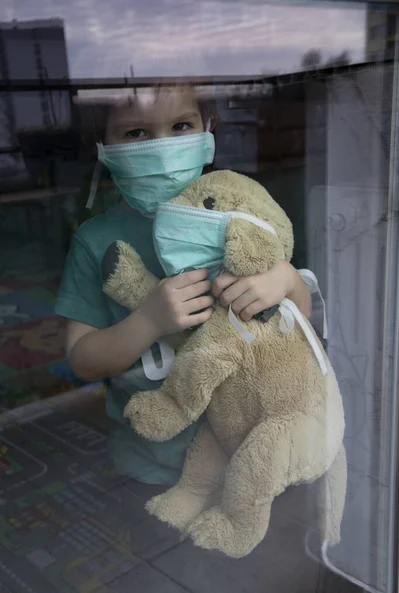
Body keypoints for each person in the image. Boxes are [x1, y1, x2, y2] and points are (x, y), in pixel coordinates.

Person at [56, 84, 312, 485]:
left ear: (208, 131)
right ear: (101, 146)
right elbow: (83, 360)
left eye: (180, 125)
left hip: (253, 456)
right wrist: (149, 321)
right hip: (153, 467)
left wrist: (288, 280)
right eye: (135, 133)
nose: (161, 147)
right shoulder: (95, 241)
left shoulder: (239, 210)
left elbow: (297, 328)